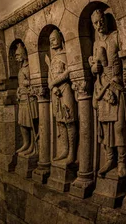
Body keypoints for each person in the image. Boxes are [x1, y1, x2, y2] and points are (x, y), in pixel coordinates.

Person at [89, 9, 126, 178]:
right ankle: (110, 159)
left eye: (101, 21)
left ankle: (122, 162)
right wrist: (94, 69)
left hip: (116, 85)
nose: (99, 25)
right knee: (106, 128)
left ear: (106, 21)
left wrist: (124, 80)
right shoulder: (95, 43)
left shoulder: (116, 36)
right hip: (102, 88)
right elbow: (95, 68)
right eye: (95, 23)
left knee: (120, 127)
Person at [49, 29, 77, 164]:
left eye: (54, 39)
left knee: (69, 120)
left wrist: (54, 83)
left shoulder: (67, 54)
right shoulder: (53, 58)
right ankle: (64, 150)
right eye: (50, 40)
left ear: (61, 38)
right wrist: (53, 87)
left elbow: (69, 72)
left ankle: (72, 152)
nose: (52, 42)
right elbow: (49, 78)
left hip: (66, 90)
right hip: (56, 93)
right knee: (60, 121)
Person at [15, 43, 38, 157]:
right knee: (22, 123)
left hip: (30, 99)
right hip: (23, 98)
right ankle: (26, 143)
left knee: (31, 124)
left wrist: (26, 83)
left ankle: (33, 146)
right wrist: (18, 91)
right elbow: (20, 83)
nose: (16, 57)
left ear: (24, 55)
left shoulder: (30, 67)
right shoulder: (21, 68)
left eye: (18, 54)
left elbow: (35, 81)